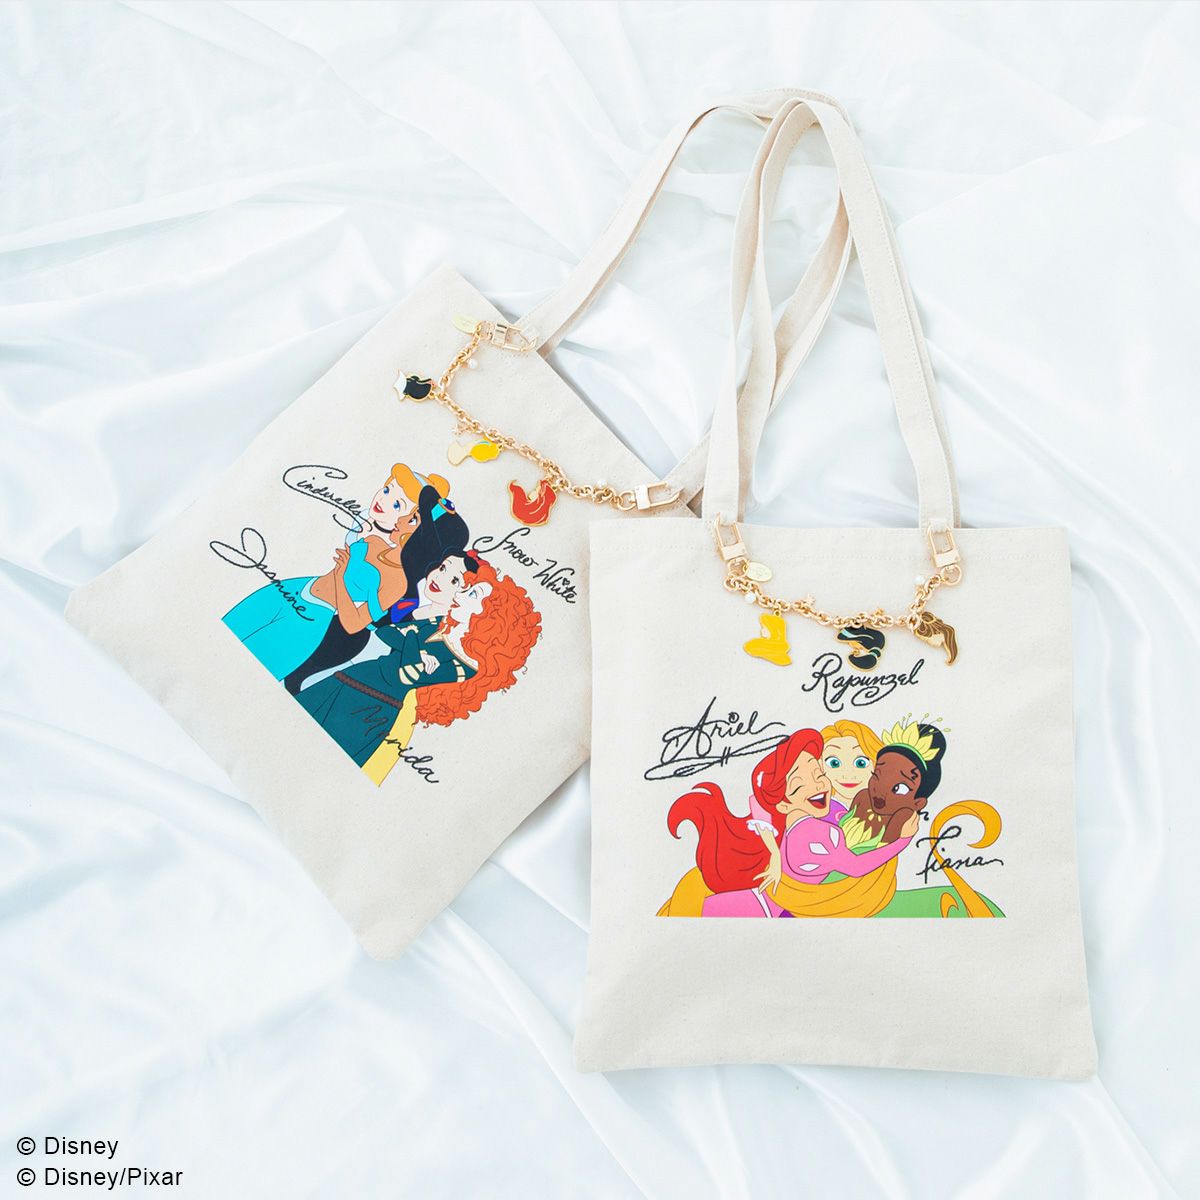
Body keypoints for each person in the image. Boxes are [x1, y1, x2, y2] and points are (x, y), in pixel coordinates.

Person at [295, 557, 541, 773]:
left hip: (372, 709)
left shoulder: (466, 667)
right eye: (467, 590)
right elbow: (386, 633)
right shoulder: (439, 624)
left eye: (472, 594)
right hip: (348, 679)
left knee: (324, 764)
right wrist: (415, 648)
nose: (458, 595)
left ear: (491, 618)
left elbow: (407, 674)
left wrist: (411, 636)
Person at [222, 463, 443, 682]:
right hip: (295, 589)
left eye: (397, 505)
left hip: (314, 619)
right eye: (386, 490)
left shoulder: (398, 580)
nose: (383, 501)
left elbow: (355, 623)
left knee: (252, 669)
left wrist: (340, 578)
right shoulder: (370, 537)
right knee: (232, 628)